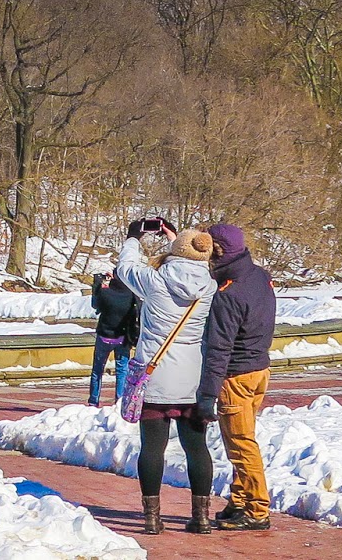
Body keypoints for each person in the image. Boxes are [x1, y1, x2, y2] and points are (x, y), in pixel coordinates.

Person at [115, 218, 218, 536]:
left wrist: (135, 237)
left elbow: (125, 268)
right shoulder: (210, 286)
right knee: (197, 448)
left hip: (155, 377)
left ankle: (151, 518)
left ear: (176, 251)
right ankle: (200, 517)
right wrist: (180, 241)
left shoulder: (154, 280)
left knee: (152, 448)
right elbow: (195, 256)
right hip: (191, 380)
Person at [196, 223, 277, 531]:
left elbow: (219, 349)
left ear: (217, 250)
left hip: (236, 376)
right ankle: (239, 501)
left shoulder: (227, 294)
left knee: (241, 445)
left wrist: (207, 394)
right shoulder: (259, 275)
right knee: (241, 440)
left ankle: (257, 509)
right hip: (259, 370)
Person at [88, 271, 139, 407]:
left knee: (97, 370)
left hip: (104, 336)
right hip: (122, 338)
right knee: (122, 370)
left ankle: (93, 400)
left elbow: (95, 305)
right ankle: (119, 401)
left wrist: (98, 285)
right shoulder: (131, 295)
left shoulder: (106, 294)